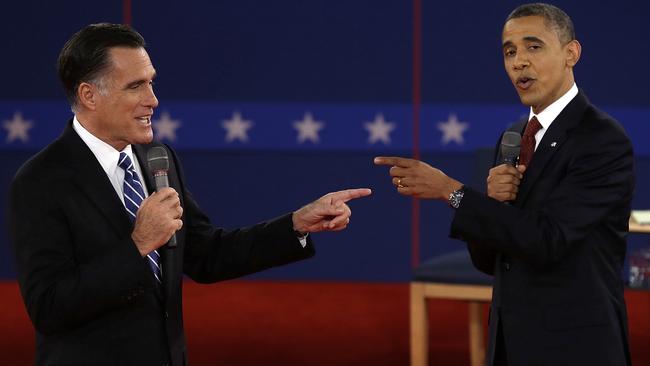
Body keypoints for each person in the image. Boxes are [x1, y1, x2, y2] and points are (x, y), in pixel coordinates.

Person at [8, 23, 371, 366]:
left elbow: (207, 254)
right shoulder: (41, 181)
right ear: (89, 95)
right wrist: (138, 245)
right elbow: (49, 307)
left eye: (151, 83)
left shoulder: (157, 160)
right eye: (135, 86)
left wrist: (296, 224)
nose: (153, 99)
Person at [375, 3, 633, 366]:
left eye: (534, 47)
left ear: (571, 53)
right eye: (509, 51)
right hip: (511, 341)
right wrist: (492, 203)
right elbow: (491, 261)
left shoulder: (602, 139)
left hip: (576, 343)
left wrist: (452, 191)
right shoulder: (513, 137)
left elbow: (549, 242)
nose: (518, 62)